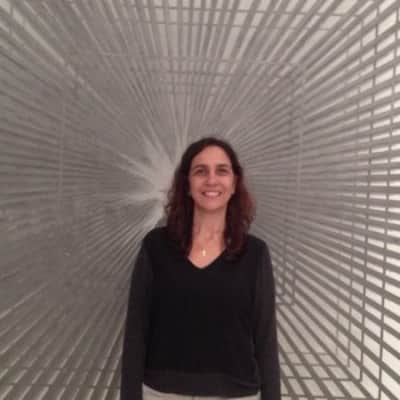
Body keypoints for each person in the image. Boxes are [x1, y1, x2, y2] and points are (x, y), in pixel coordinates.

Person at [121, 137, 281, 400]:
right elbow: (136, 332)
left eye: (222, 171)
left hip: (236, 395)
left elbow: (266, 339)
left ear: (234, 184)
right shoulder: (156, 247)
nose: (211, 180)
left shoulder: (255, 254)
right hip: (160, 394)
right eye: (200, 171)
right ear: (187, 184)